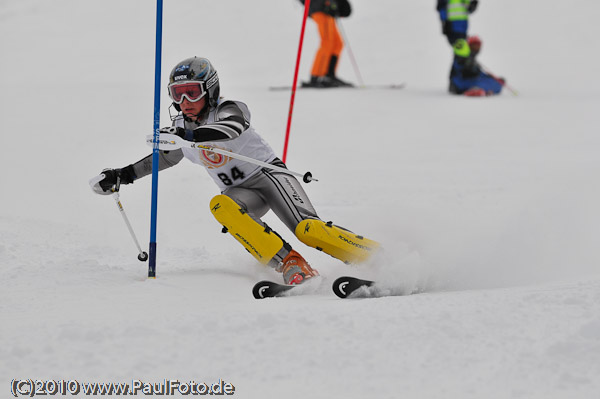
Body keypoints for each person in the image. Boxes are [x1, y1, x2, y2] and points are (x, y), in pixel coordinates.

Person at [90, 57, 379, 284]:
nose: (184, 103)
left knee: (307, 229)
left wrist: (189, 137)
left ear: (210, 89)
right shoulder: (181, 128)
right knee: (221, 205)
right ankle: (290, 262)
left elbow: (231, 128)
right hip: (240, 193)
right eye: (177, 94)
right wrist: (122, 175)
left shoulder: (229, 108)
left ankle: (375, 257)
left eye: (192, 93)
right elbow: (164, 158)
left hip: (270, 178)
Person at [436, 0, 502, 96]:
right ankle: (458, 82)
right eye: (475, 46)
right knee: (461, 54)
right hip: (452, 26)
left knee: (463, 54)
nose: (477, 49)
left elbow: (467, 6)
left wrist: (472, 4)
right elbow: (441, 6)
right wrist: (444, 21)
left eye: (477, 47)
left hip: (462, 27)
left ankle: (459, 80)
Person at [299, 0, 353, 88]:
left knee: (337, 43)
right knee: (327, 42)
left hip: (327, 10)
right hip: (321, 9)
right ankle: (317, 76)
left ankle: (329, 75)